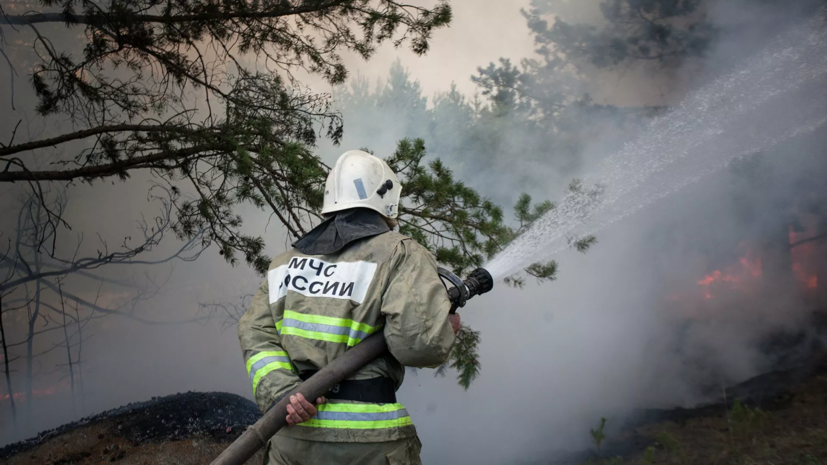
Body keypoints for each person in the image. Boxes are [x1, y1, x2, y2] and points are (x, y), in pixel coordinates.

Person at [238, 150, 461, 464]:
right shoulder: (399, 253)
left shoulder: (285, 265)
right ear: (388, 199)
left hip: (293, 437)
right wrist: (442, 329)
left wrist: (283, 394)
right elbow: (418, 346)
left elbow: (257, 336)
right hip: (368, 443)